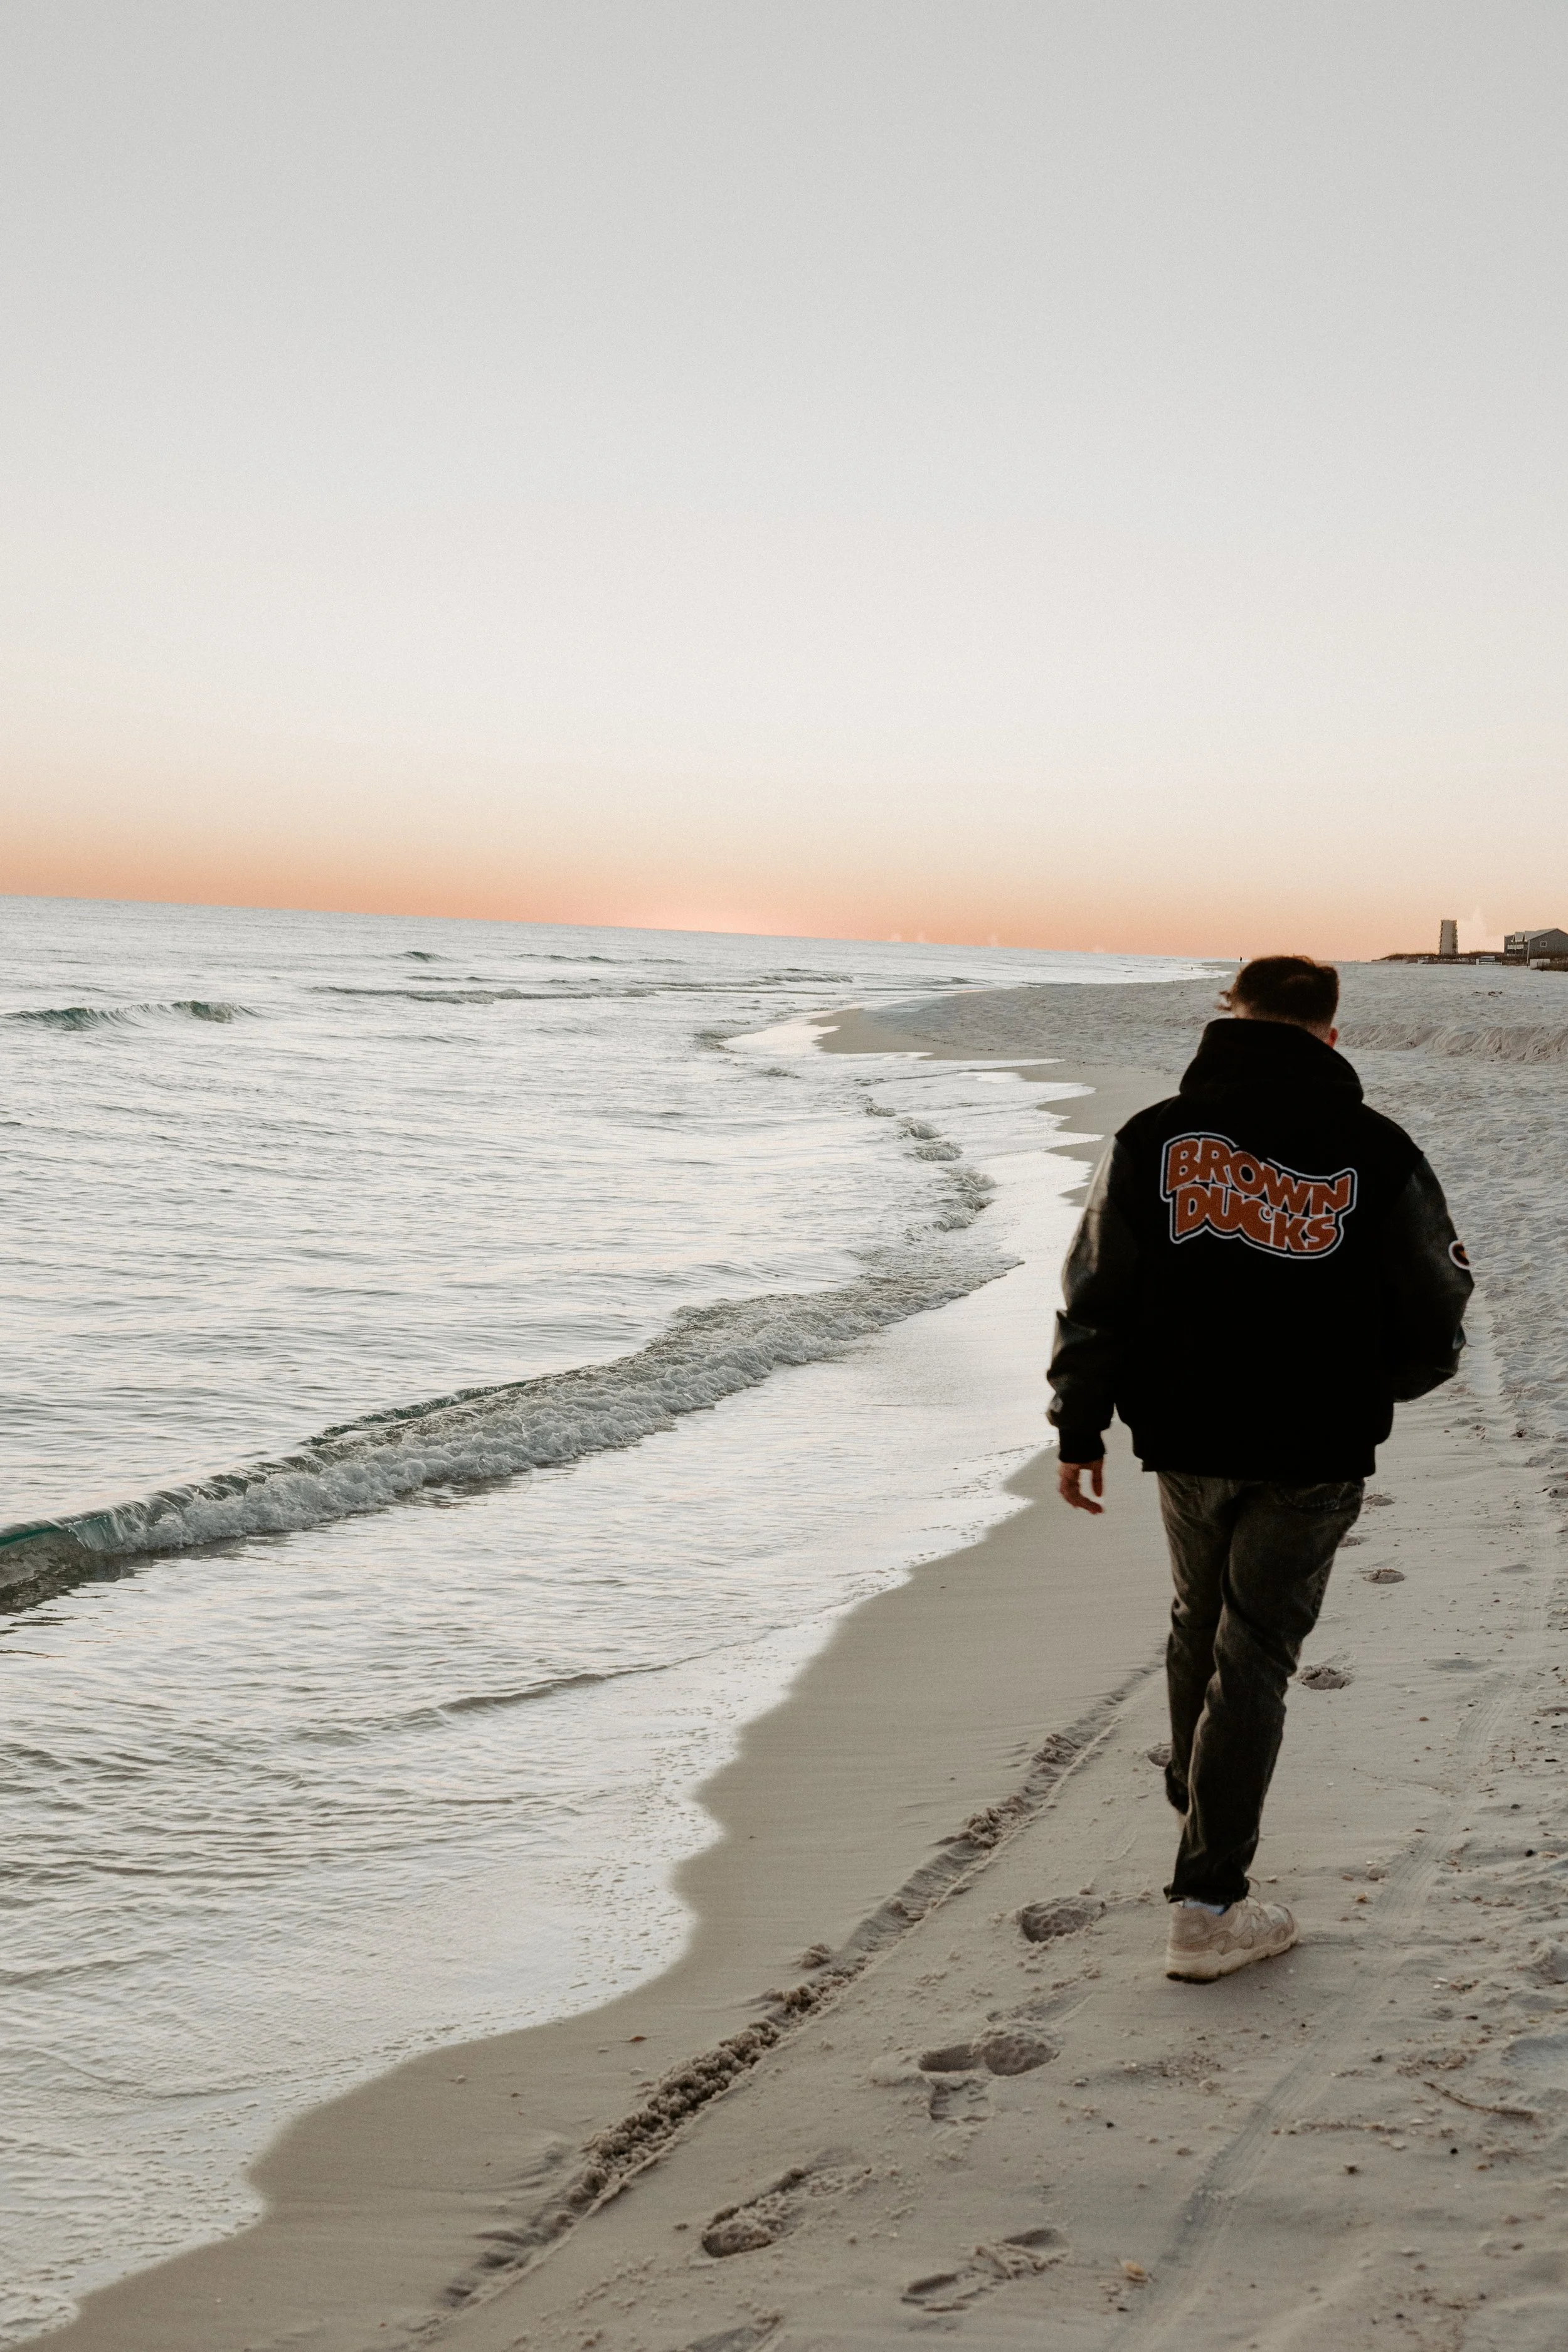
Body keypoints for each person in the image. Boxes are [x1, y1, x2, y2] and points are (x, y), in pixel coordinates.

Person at [1046, 955, 1472, 1982]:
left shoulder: (1153, 1137)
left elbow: (1096, 1284)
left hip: (1186, 1437)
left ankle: (1204, 1807)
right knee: (1257, 1652)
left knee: (1203, 1619)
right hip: (1312, 1445)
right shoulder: (1375, 1147)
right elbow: (1438, 1300)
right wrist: (1381, 1386)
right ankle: (1205, 1904)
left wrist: (1081, 1426)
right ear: (1330, 1033)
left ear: (1228, 1018)